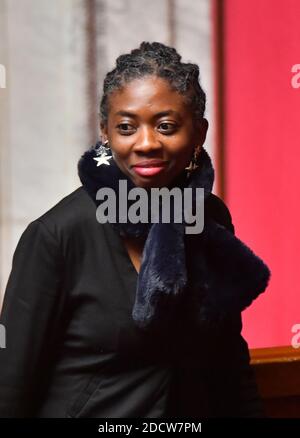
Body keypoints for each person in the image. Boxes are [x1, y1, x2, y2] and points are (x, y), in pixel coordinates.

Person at [0, 41, 270, 418]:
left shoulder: (209, 219)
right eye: (126, 127)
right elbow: (10, 387)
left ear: (199, 133)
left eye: (166, 126)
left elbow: (228, 362)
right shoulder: (57, 236)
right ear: (106, 134)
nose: (146, 143)